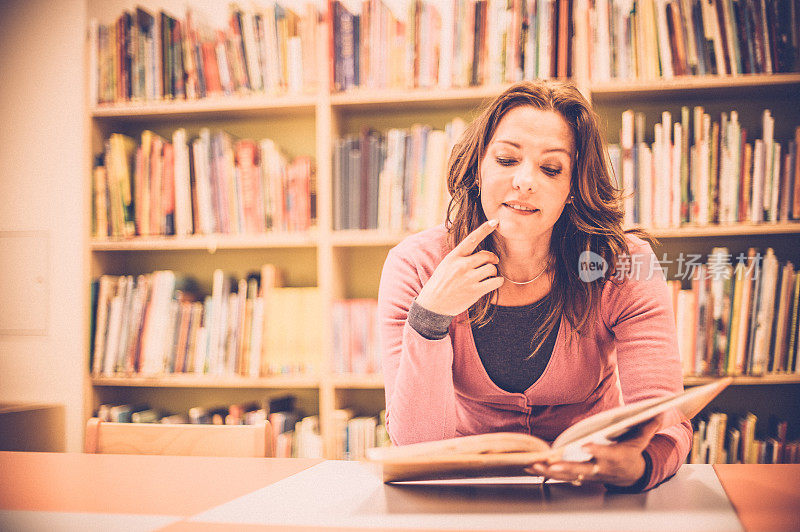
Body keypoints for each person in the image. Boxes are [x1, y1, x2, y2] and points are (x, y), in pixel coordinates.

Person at [377, 80, 691, 491]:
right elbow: (414, 446)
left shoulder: (622, 265)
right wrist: (430, 317)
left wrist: (638, 465)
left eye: (550, 168)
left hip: (588, 486)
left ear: (573, 188)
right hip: (467, 492)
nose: (524, 180)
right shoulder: (415, 265)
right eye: (507, 159)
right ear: (478, 169)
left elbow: (667, 421)